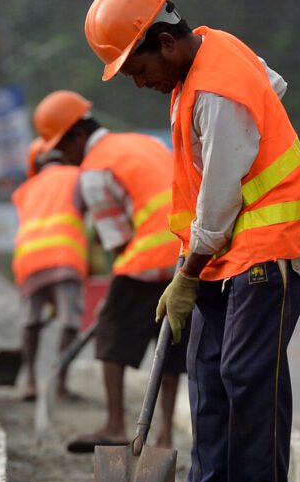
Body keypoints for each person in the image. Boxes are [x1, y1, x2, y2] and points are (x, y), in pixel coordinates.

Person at [84, 0, 300, 482]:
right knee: (208, 379)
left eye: (137, 69)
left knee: (245, 374)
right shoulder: (208, 59)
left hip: (266, 248)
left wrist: (185, 273)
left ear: (163, 42)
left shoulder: (216, 89)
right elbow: (274, 86)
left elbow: (218, 195)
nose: (139, 83)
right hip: (222, 252)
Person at [31, 89, 186, 453]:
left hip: (149, 258)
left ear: (77, 136)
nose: (65, 160)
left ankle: (116, 424)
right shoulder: (139, 141)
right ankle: (164, 437)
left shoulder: (95, 170)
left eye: (63, 150)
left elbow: (119, 241)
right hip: (187, 255)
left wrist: (113, 298)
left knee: (111, 336)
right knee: (171, 345)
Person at [11, 137, 87, 402]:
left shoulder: (25, 189)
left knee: (30, 320)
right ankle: (59, 385)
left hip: (28, 261)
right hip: (64, 257)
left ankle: (30, 381)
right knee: (70, 321)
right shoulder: (76, 176)